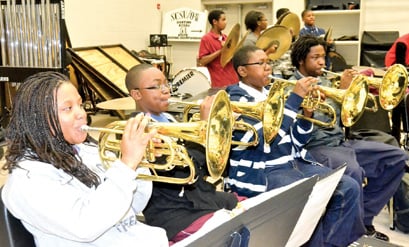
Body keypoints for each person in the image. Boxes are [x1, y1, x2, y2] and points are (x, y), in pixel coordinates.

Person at [1, 72, 168, 246]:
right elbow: (85, 225)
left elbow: (133, 206)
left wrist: (139, 163)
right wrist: (127, 165)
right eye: (68, 108)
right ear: (38, 118)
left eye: (80, 105)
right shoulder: (28, 180)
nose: (81, 113)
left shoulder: (87, 151)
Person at [225, 45, 365, 246]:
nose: (268, 68)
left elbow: (296, 141)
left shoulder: (273, 93)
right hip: (263, 171)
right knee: (312, 199)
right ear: (242, 71)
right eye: (261, 63)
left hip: (292, 163)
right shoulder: (235, 100)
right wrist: (294, 100)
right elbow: (265, 141)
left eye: (268, 62)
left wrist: (307, 115)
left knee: (349, 187)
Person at [290, 34, 408, 242]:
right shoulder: (293, 86)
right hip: (315, 147)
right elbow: (318, 120)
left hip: (341, 143)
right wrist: (344, 92)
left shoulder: (326, 79)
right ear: (301, 60)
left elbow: (346, 120)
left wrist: (352, 92)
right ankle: (353, 232)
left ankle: (361, 221)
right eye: (315, 57)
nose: (322, 62)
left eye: (323, 57)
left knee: (397, 157)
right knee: (352, 170)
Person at [125, 63, 240, 244]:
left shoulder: (168, 119)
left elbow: (212, 170)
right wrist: (205, 129)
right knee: (233, 229)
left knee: (251, 208)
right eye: (156, 86)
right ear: (137, 94)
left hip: (199, 197)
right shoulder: (138, 131)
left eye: (166, 84)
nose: (165, 91)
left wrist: (221, 132)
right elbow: (185, 172)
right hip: (174, 213)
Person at [198, 10, 239, 90]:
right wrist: (221, 51)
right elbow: (202, 61)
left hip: (233, 80)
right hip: (219, 82)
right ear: (214, 22)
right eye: (223, 20)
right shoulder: (206, 39)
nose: (226, 22)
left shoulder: (226, 37)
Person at [384, 33, 409, 143]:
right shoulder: (402, 44)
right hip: (395, 72)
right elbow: (400, 67)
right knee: (398, 106)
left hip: (405, 70)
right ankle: (396, 138)